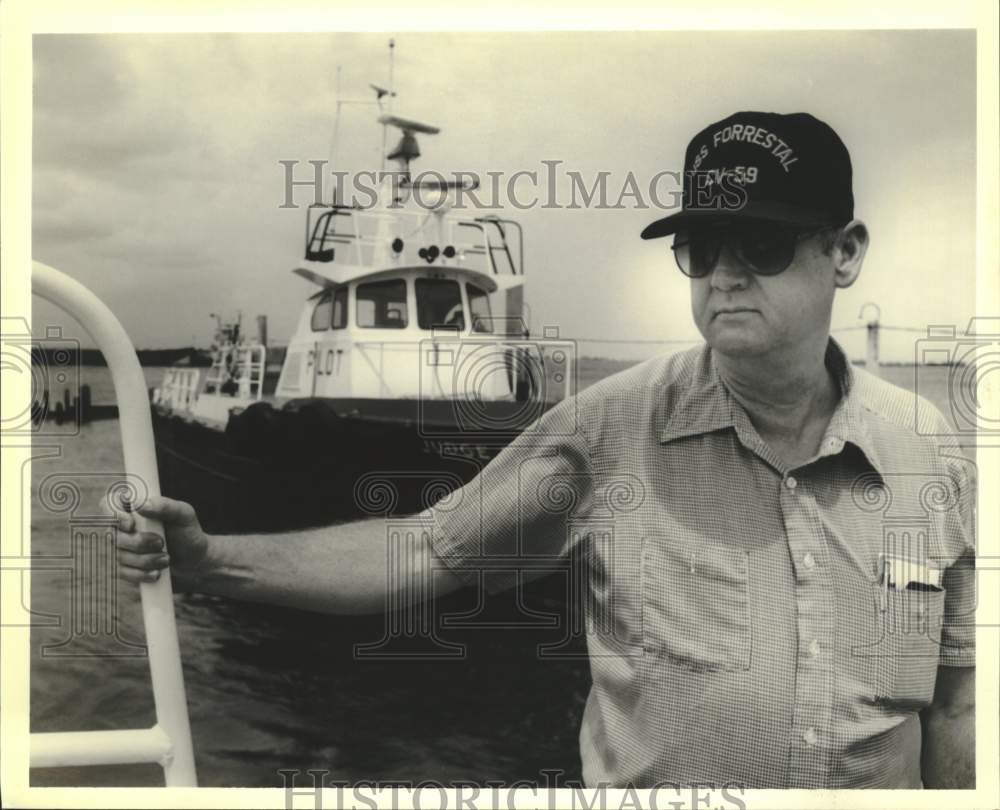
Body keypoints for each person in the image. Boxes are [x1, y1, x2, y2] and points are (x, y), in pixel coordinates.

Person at [117, 111, 975, 790]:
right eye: (701, 247)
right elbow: (425, 547)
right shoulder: (607, 430)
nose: (724, 273)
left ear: (846, 253)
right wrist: (209, 560)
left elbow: (956, 697)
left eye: (761, 242)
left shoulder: (929, 450)